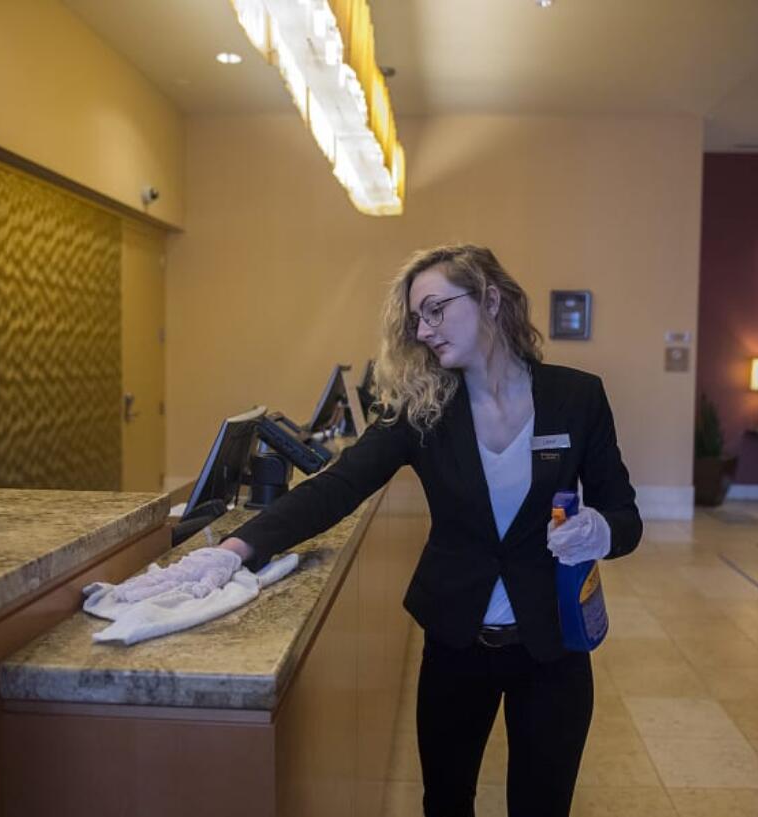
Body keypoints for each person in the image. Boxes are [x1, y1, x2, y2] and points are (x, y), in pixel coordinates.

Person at [217, 244, 642, 817]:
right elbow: (337, 486)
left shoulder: (578, 397)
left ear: (490, 299)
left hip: (553, 646)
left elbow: (626, 518)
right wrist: (235, 549)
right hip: (456, 643)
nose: (424, 328)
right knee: (445, 802)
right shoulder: (424, 408)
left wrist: (599, 530)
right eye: (417, 317)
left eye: (437, 309)